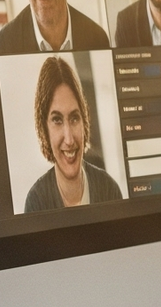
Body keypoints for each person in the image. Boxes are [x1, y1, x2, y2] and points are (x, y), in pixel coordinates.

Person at [21, 56, 123, 211]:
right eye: (57, 120)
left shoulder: (109, 189)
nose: (69, 140)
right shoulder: (37, 202)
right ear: (44, 128)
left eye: (74, 118)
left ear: (84, 121)